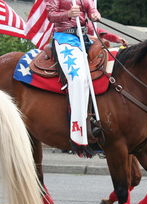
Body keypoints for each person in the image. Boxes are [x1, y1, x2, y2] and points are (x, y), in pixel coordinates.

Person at [45, 0, 125, 155]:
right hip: (64, 39)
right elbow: (51, 15)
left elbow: (91, 20)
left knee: (108, 70)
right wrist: (68, 14)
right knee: (79, 79)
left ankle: (98, 119)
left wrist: (97, 17)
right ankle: (77, 131)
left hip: (84, 39)